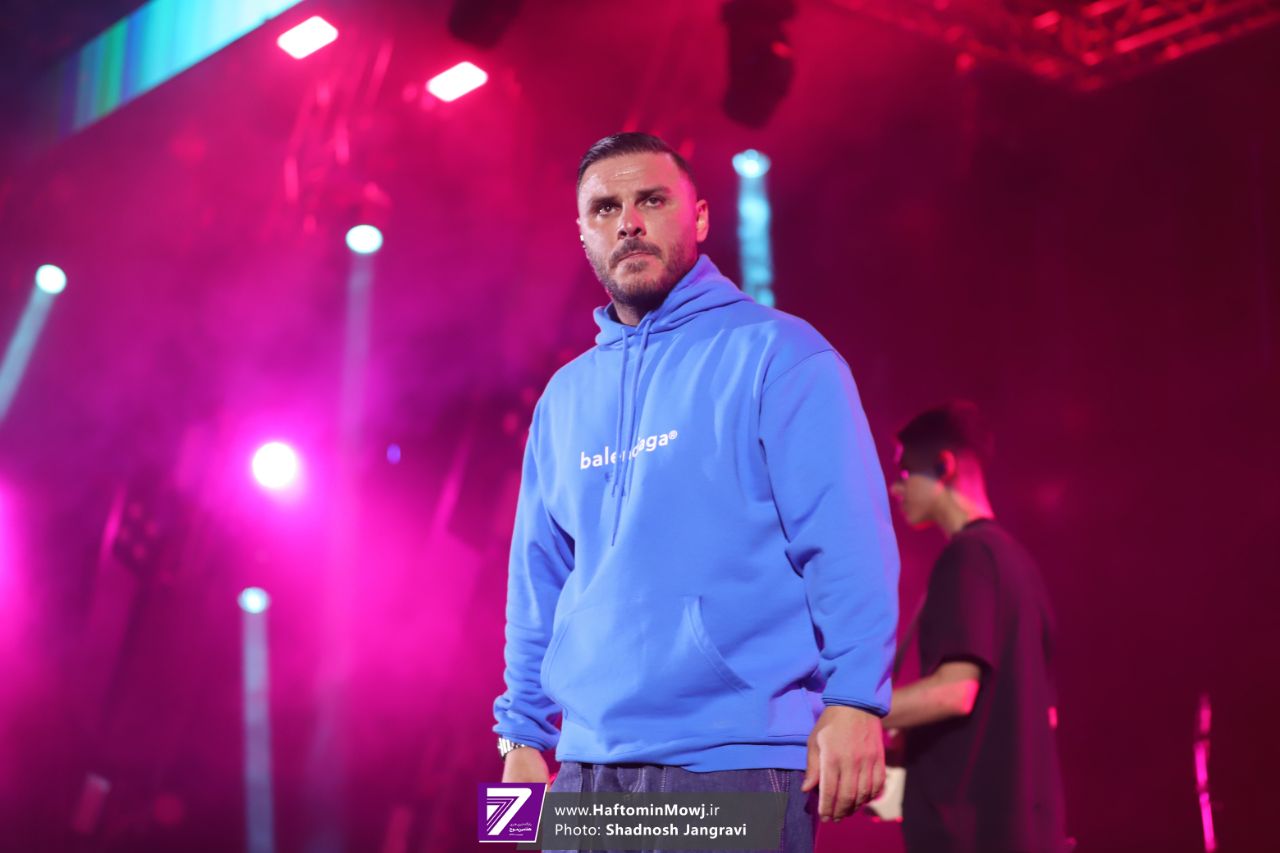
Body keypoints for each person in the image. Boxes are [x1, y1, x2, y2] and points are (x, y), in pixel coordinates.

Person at [491, 132, 900, 851]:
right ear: (583, 233)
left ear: (701, 217)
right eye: (605, 208)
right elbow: (537, 579)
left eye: (651, 200)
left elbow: (846, 540)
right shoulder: (562, 398)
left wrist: (856, 701)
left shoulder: (782, 353)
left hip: (734, 760)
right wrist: (520, 738)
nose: (628, 222)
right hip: (582, 766)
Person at [883, 401, 1067, 853]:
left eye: (905, 473)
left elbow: (955, 692)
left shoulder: (967, 558)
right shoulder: (1019, 565)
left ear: (943, 467)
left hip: (969, 836)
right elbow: (1042, 713)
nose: (895, 488)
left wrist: (848, 714)